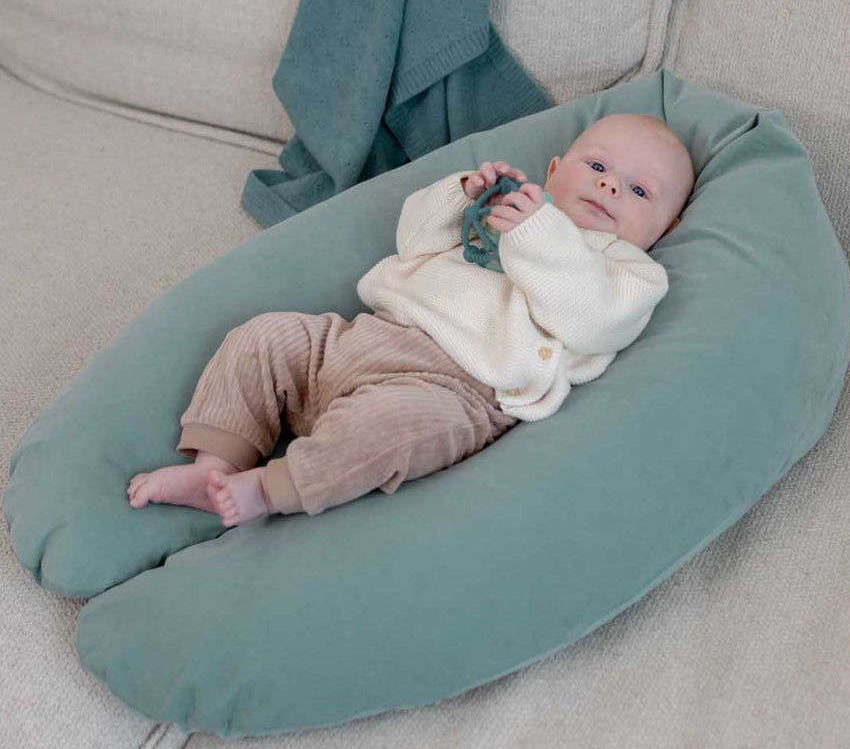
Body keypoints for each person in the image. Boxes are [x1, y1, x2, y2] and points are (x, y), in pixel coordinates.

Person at [127, 112, 695, 527]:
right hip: (361, 338)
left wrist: (537, 231)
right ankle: (215, 464)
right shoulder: (504, 212)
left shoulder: (627, 270)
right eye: (596, 165)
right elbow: (412, 243)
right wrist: (459, 199)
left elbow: (590, 317)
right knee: (264, 336)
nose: (609, 185)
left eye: (640, 190)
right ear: (553, 170)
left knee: (392, 429)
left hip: (455, 392)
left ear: (664, 230)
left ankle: (267, 490)